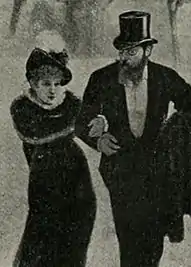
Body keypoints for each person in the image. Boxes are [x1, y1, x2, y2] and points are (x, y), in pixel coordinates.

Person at [75, 11, 191, 267]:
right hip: (120, 171)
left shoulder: (164, 77)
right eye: (122, 52)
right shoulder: (102, 78)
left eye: (131, 52)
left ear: (148, 51)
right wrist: (98, 140)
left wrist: (173, 130)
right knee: (129, 241)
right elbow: (81, 121)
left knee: (153, 242)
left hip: (158, 174)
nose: (124, 59)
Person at [10, 47, 96, 267]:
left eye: (57, 84)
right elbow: (34, 134)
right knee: (41, 245)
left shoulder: (72, 105)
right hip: (44, 185)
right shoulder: (23, 109)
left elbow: (90, 128)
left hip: (77, 181)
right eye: (46, 83)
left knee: (73, 245)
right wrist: (75, 123)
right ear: (33, 83)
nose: (52, 90)